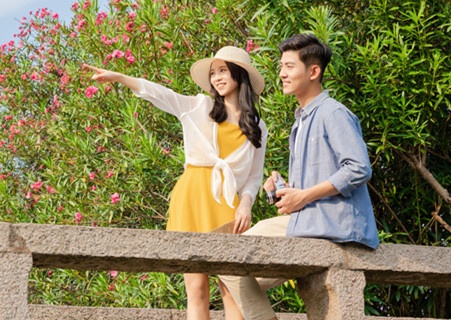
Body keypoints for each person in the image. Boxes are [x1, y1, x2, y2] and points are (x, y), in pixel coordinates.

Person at [85, 46, 268, 320]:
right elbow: (163, 95)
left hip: (227, 202)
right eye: (213, 73)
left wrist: (246, 205)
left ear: (239, 75)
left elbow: (254, 176)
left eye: (223, 71)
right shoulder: (201, 107)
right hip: (192, 198)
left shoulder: (257, 125)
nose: (217, 78)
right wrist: (121, 77)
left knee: (233, 287)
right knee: (197, 289)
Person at [218, 34, 380, 320]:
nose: (282, 73)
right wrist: (284, 190)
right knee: (230, 275)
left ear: (313, 71)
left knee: (228, 259)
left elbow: (358, 168)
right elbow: (308, 192)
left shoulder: (333, 113)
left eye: (289, 67)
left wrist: (303, 196)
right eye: (281, 66)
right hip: (308, 220)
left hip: (330, 225)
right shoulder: (301, 121)